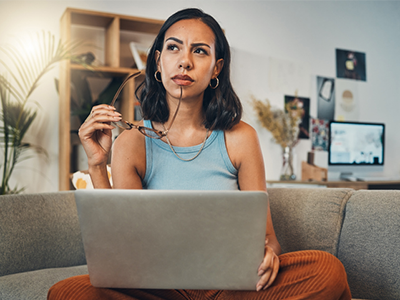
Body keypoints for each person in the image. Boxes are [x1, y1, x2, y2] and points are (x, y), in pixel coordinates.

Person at [48, 8, 351, 300]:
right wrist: (98, 165)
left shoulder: (240, 137)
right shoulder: (132, 141)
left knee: (328, 271)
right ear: (158, 61)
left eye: (200, 51)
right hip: (161, 285)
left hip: (232, 285)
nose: (184, 62)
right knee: (66, 293)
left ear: (216, 68)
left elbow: (268, 237)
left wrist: (269, 253)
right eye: (173, 48)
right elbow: (120, 246)